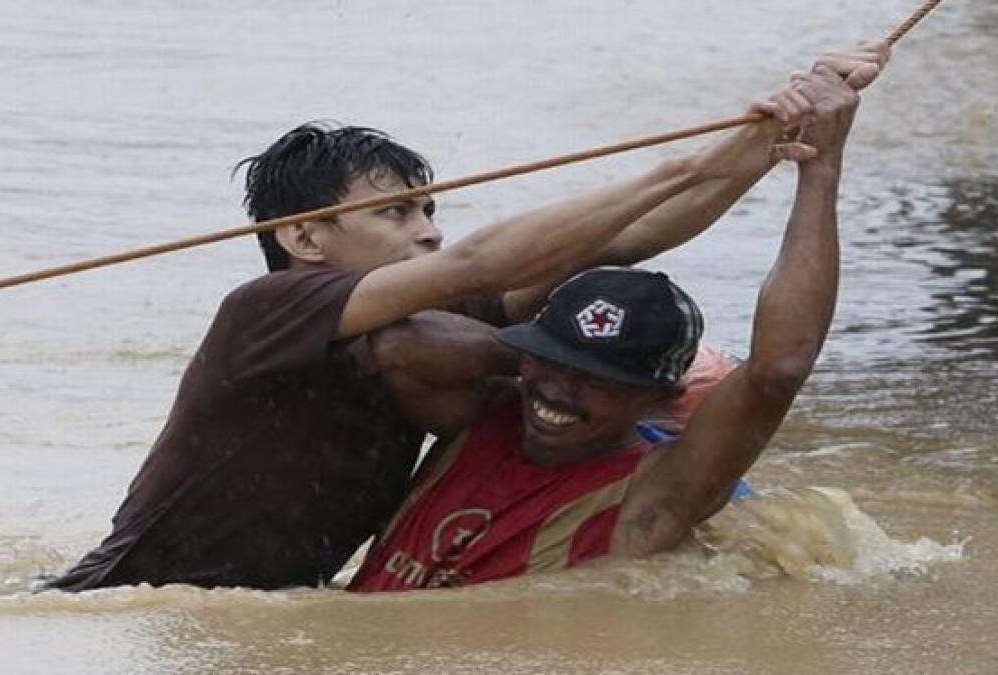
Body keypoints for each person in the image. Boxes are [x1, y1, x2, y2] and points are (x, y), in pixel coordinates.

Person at [48, 44, 888, 591]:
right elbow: (483, 261)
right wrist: (686, 163)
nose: (429, 231)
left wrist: (781, 138)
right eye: (399, 215)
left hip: (285, 603)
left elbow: (632, 237)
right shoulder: (264, 310)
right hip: (124, 598)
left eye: (430, 211)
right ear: (303, 237)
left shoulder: (438, 319)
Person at [347, 64, 863, 591]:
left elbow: (779, 368)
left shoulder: (656, 494)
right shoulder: (490, 411)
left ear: (657, 398)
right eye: (553, 362)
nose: (558, 392)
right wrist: (522, 362)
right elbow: (397, 345)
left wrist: (820, 173)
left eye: (598, 380)